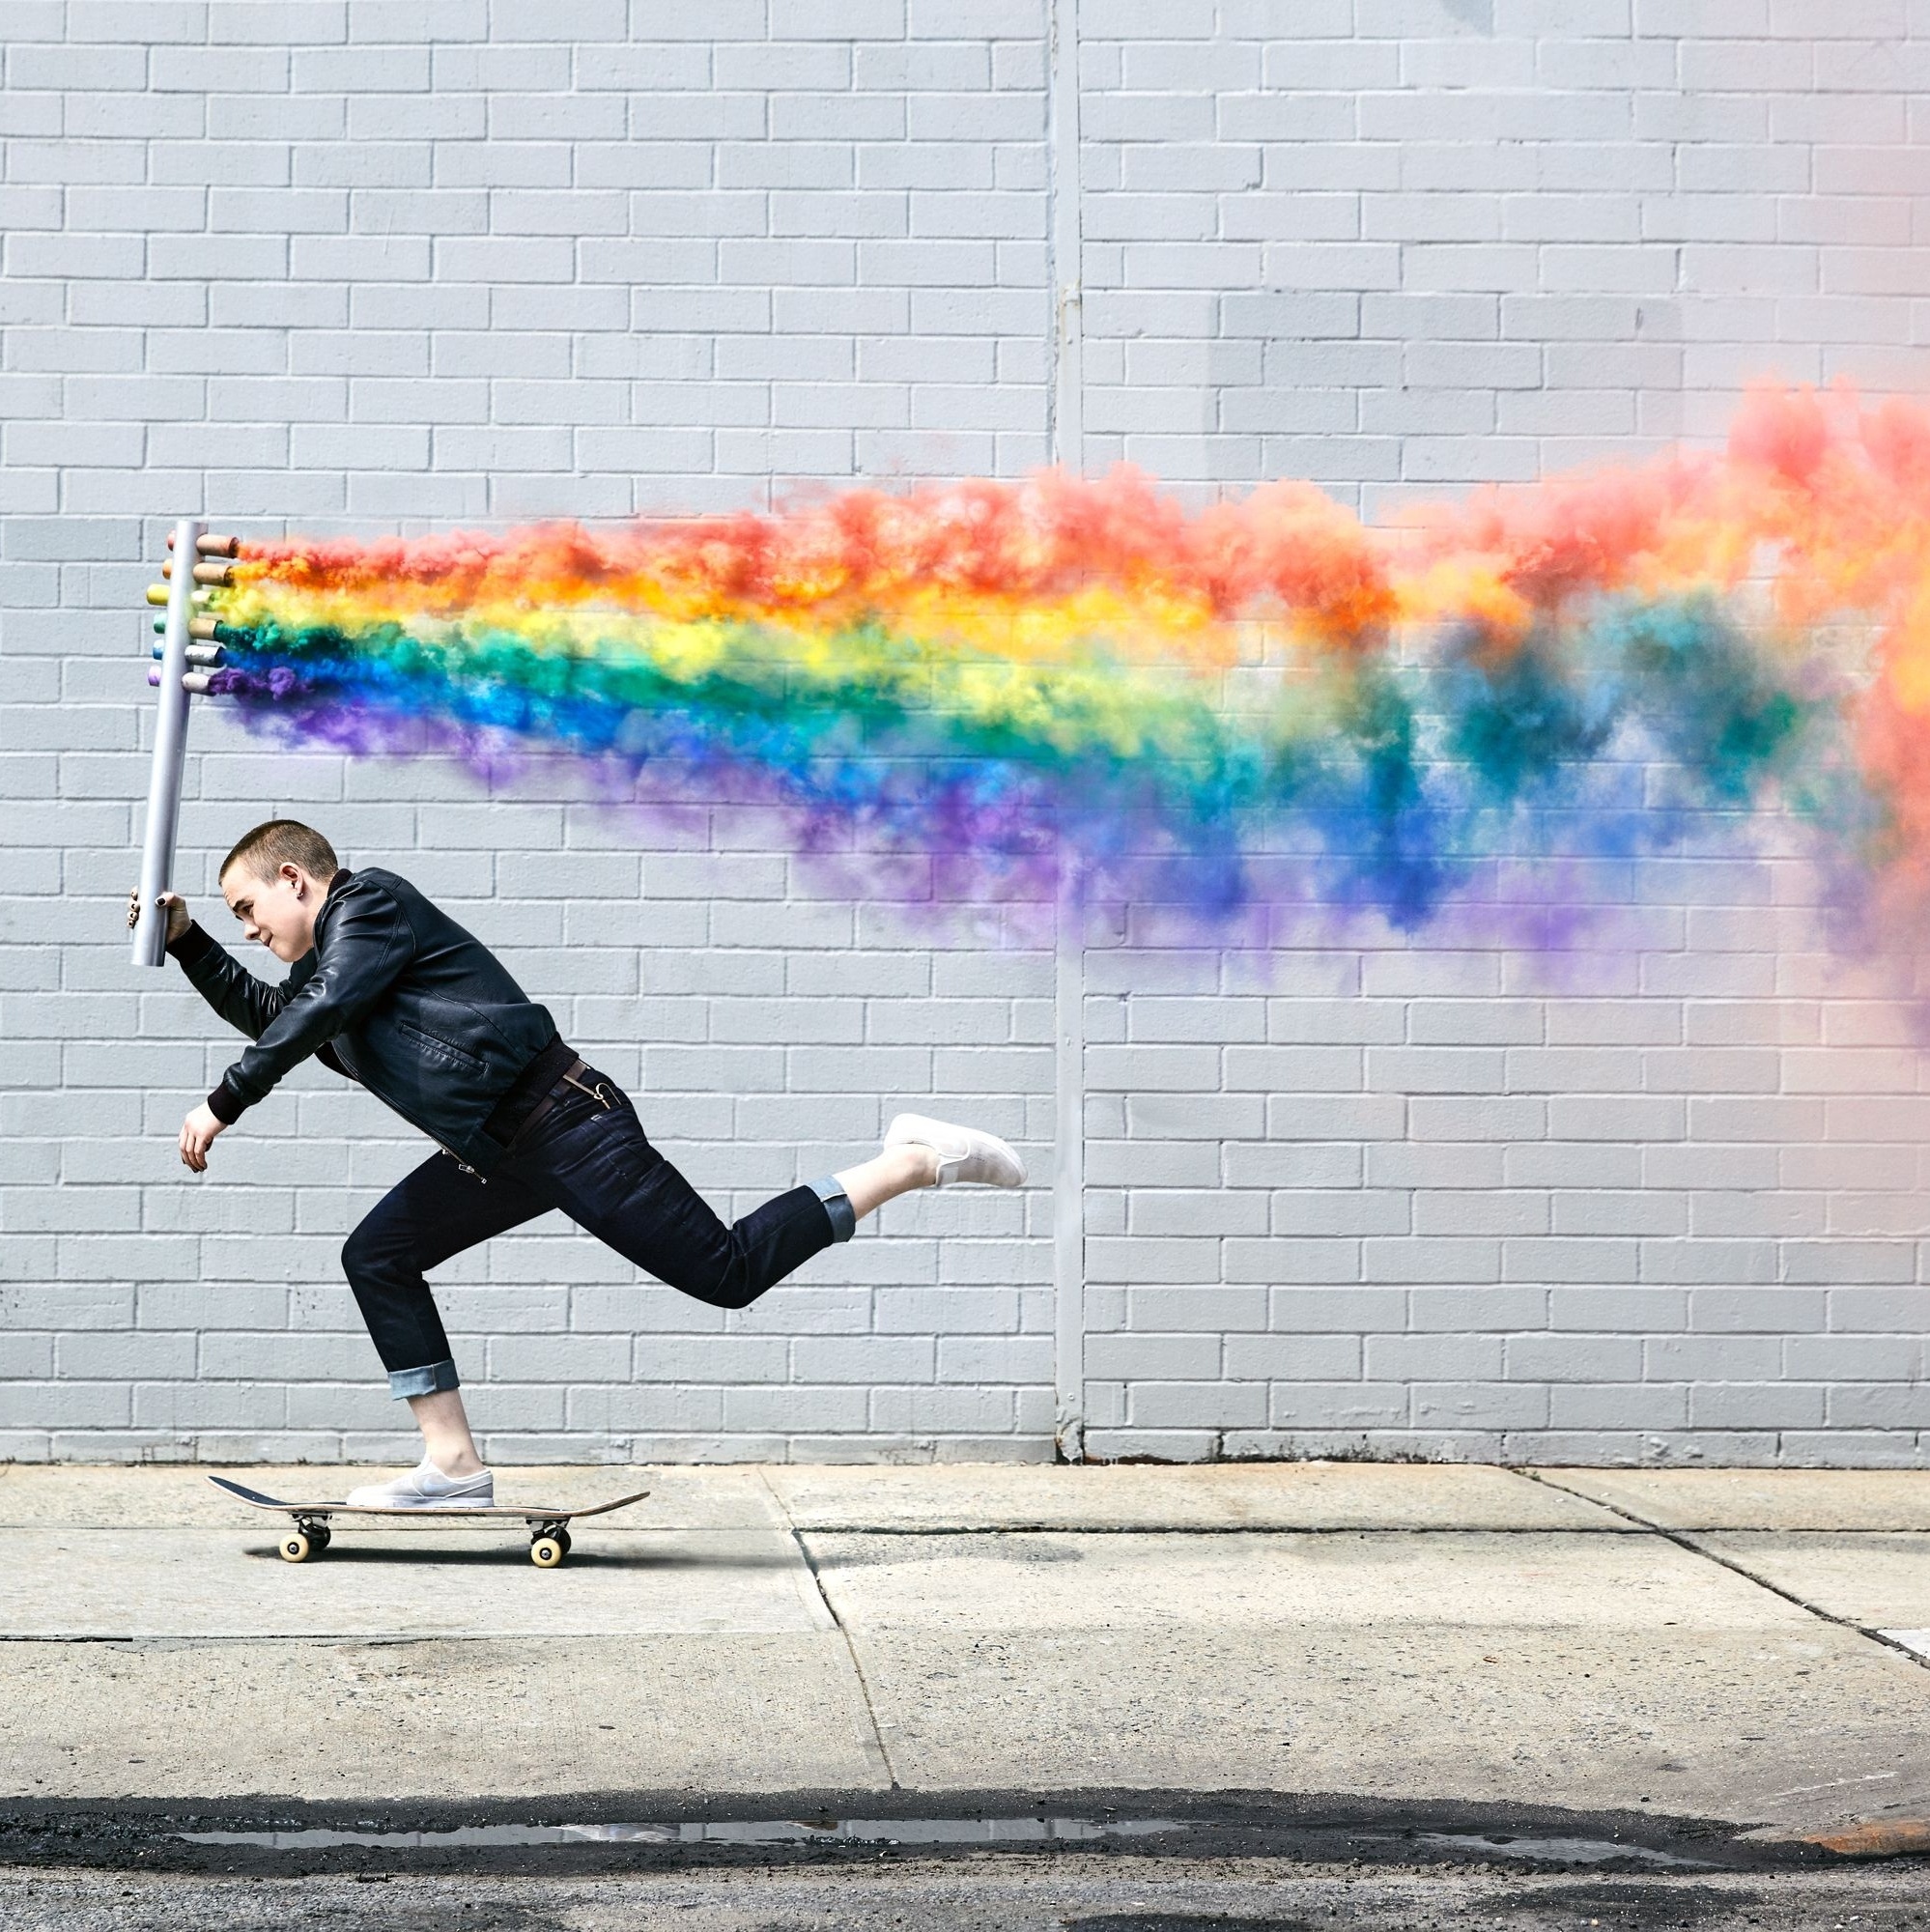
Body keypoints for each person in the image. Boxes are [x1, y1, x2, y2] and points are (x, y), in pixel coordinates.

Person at [128, 819, 1026, 1508]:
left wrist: (223, 1102)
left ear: (295, 878)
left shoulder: (370, 908)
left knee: (728, 1272)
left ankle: (910, 1161)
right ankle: (452, 1465)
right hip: (495, 1150)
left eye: (246, 910)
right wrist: (189, 942)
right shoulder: (330, 970)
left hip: (566, 1122)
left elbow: (315, 1010)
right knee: (378, 1255)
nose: (246, 927)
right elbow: (278, 1013)